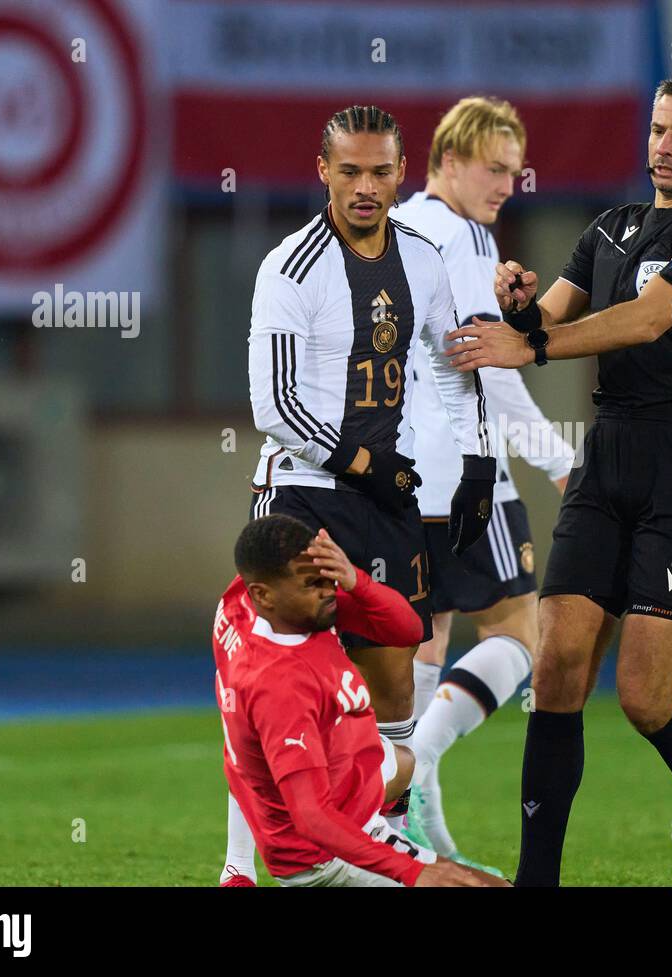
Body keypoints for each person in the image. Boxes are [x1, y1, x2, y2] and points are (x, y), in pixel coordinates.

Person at [446, 78, 672, 886]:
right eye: (658, 129)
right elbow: (546, 317)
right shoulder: (612, 227)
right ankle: (537, 881)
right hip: (609, 450)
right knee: (556, 671)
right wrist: (519, 312)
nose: (665, 145)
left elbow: (654, 315)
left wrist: (535, 347)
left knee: (643, 697)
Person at [222, 104, 496, 884]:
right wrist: (360, 461)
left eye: (380, 172)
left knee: (395, 668)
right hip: (305, 495)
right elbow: (272, 402)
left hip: (385, 498)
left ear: (402, 172)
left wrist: (477, 461)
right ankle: (240, 867)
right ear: (324, 172)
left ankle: (386, 825)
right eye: (350, 172)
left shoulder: (422, 257)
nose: (366, 187)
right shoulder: (290, 267)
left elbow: (452, 360)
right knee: (276, 691)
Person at [393, 96, 574, 873]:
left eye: (514, 171)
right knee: (519, 636)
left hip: (397, 477)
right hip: (467, 477)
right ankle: (411, 772)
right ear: (449, 159)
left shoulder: (399, 223)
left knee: (419, 647)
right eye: (494, 168)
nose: (507, 183)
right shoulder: (464, 236)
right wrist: (563, 461)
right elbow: (487, 363)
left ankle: (398, 809)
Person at [214, 514, 505, 886]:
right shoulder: (280, 684)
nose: (328, 591)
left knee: (403, 763)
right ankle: (382, 849)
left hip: (346, 771)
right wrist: (414, 871)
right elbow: (312, 817)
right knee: (485, 885)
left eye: (328, 579)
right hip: (323, 853)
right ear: (264, 595)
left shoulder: (249, 602)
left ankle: (241, 867)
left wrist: (356, 580)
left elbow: (408, 629)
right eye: (313, 584)